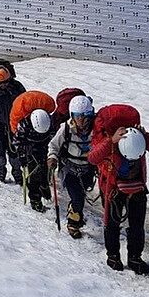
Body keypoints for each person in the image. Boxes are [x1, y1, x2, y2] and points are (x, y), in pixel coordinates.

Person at [88, 104, 149, 275]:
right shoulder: (108, 140)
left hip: (133, 188)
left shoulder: (138, 137)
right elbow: (93, 158)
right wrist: (110, 141)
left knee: (135, 226)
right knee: (114, 224)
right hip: (115, 188)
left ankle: (132, 257)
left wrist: (146, 137)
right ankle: (115, 256)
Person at [47, 92, 97, 239]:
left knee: (80, 195)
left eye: (84, 115)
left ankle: (74, 211)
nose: (81, 119)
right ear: (72, 115)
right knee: (77, 198)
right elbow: (54, 145)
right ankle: (73, 224)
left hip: (88, 169)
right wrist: (52, 158)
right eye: (77, 115)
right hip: (69, 170)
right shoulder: (66, 129)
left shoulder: (96, 129)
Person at [10, 90, 57, 212]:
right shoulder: (24, 125)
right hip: (30, 151)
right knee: (33, 176)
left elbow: (53, 137)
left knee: (45, 170)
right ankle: (35, 201)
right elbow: (17, 142)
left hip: (45, 148)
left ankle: (44, 186)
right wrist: (23, 158)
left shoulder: (49, 122)